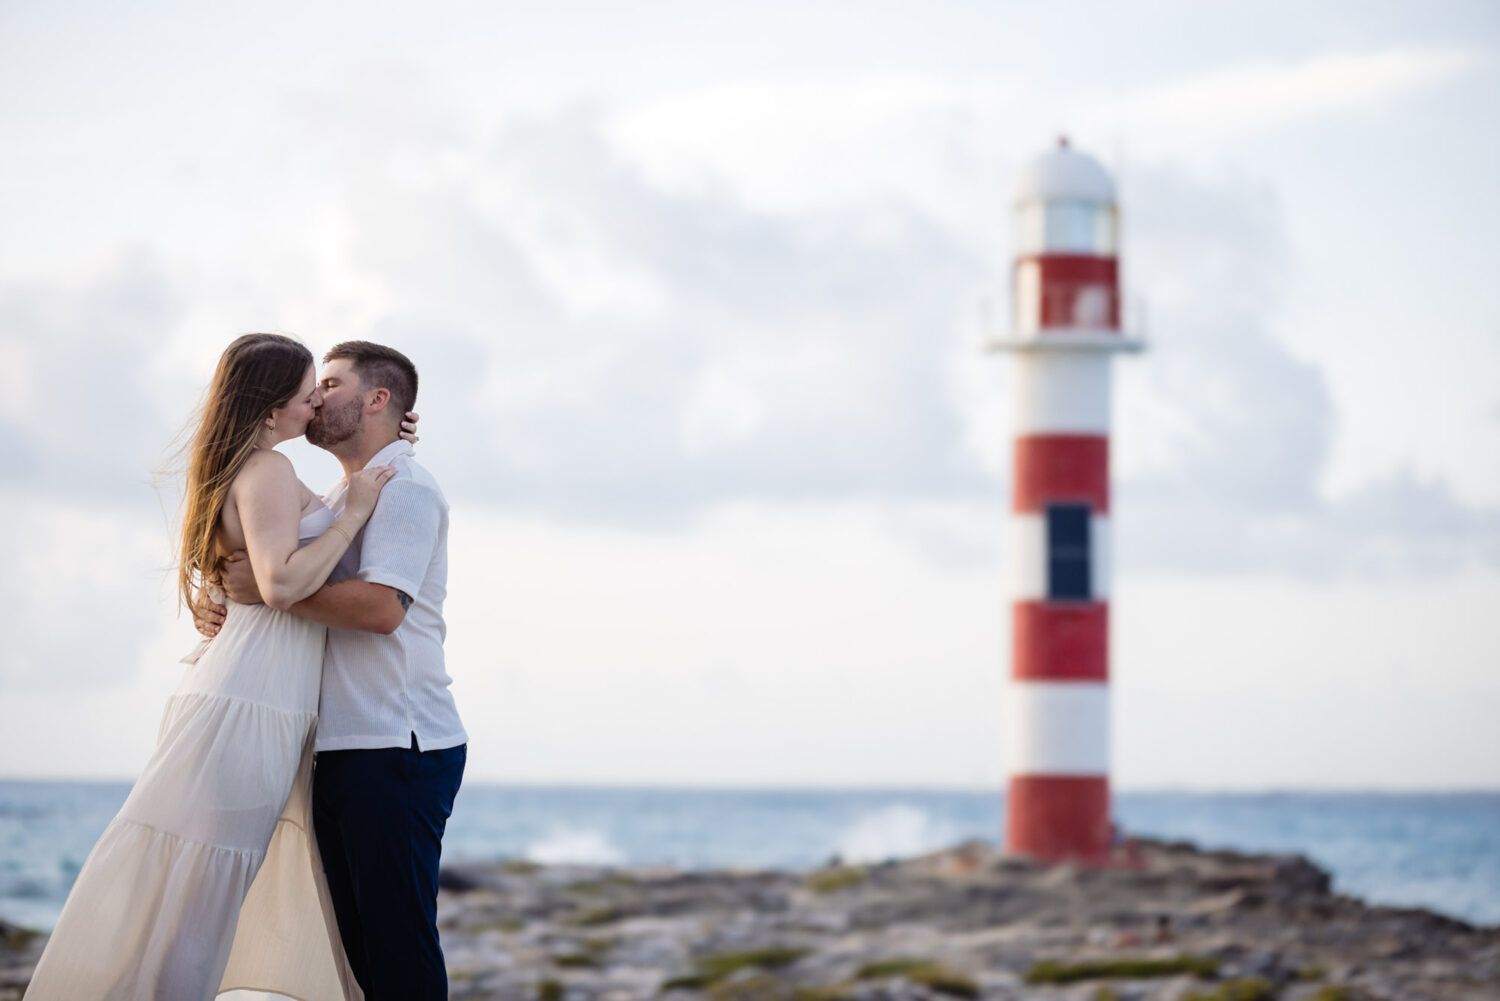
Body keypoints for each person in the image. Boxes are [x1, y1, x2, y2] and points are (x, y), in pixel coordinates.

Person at [24, 333, 408, 1000]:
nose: (317, 399)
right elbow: (283, 583)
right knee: (200, 897)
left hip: (258, 693)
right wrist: (351, 516)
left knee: (199, 892)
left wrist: (384, 427)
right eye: (308, 390)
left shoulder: (264, 469)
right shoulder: (267, 472)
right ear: (271, 409)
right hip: (249, 697)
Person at [202, 341, 467, 1001]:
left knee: (397, 948)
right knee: (365, 958)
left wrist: (268, 590)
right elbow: (272, 567)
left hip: (398, 744)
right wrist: (226, 596)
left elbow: (382, 609)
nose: (316, 397)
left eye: (331, 382)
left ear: (378, 399)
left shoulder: (404, 486)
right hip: (346, 747)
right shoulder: (343, 491)